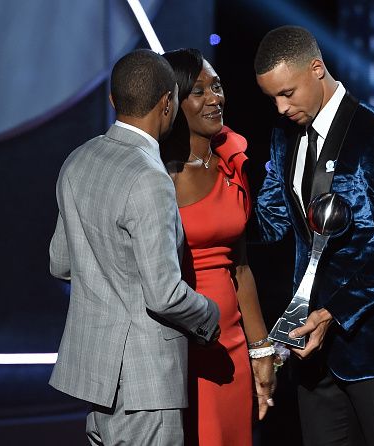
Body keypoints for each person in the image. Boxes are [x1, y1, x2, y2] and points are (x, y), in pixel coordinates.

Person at [254, 26, 374, 446]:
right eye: (272, 99)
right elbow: (269, 222)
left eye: (287, 93)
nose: (281, 108)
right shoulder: (285, 137)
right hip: (313, 355)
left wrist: (331, 313)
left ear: (316, 69)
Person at [48, 48, 221, 446]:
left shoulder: (79, 160)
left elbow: (60, 262)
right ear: (168, 103)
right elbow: (163, 295)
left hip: (98, 380)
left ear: (113, 100)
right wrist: (210, 316)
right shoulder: (149, 176)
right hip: (146, 382)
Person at [160, 48, 276, 446]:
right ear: (172, 101)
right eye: (198, 91)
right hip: (180, 346)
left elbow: (241, 268)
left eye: (217, 86)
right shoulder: (157, 176)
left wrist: (261, 351)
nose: (215, 98)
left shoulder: (232, 163)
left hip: (231, 346)